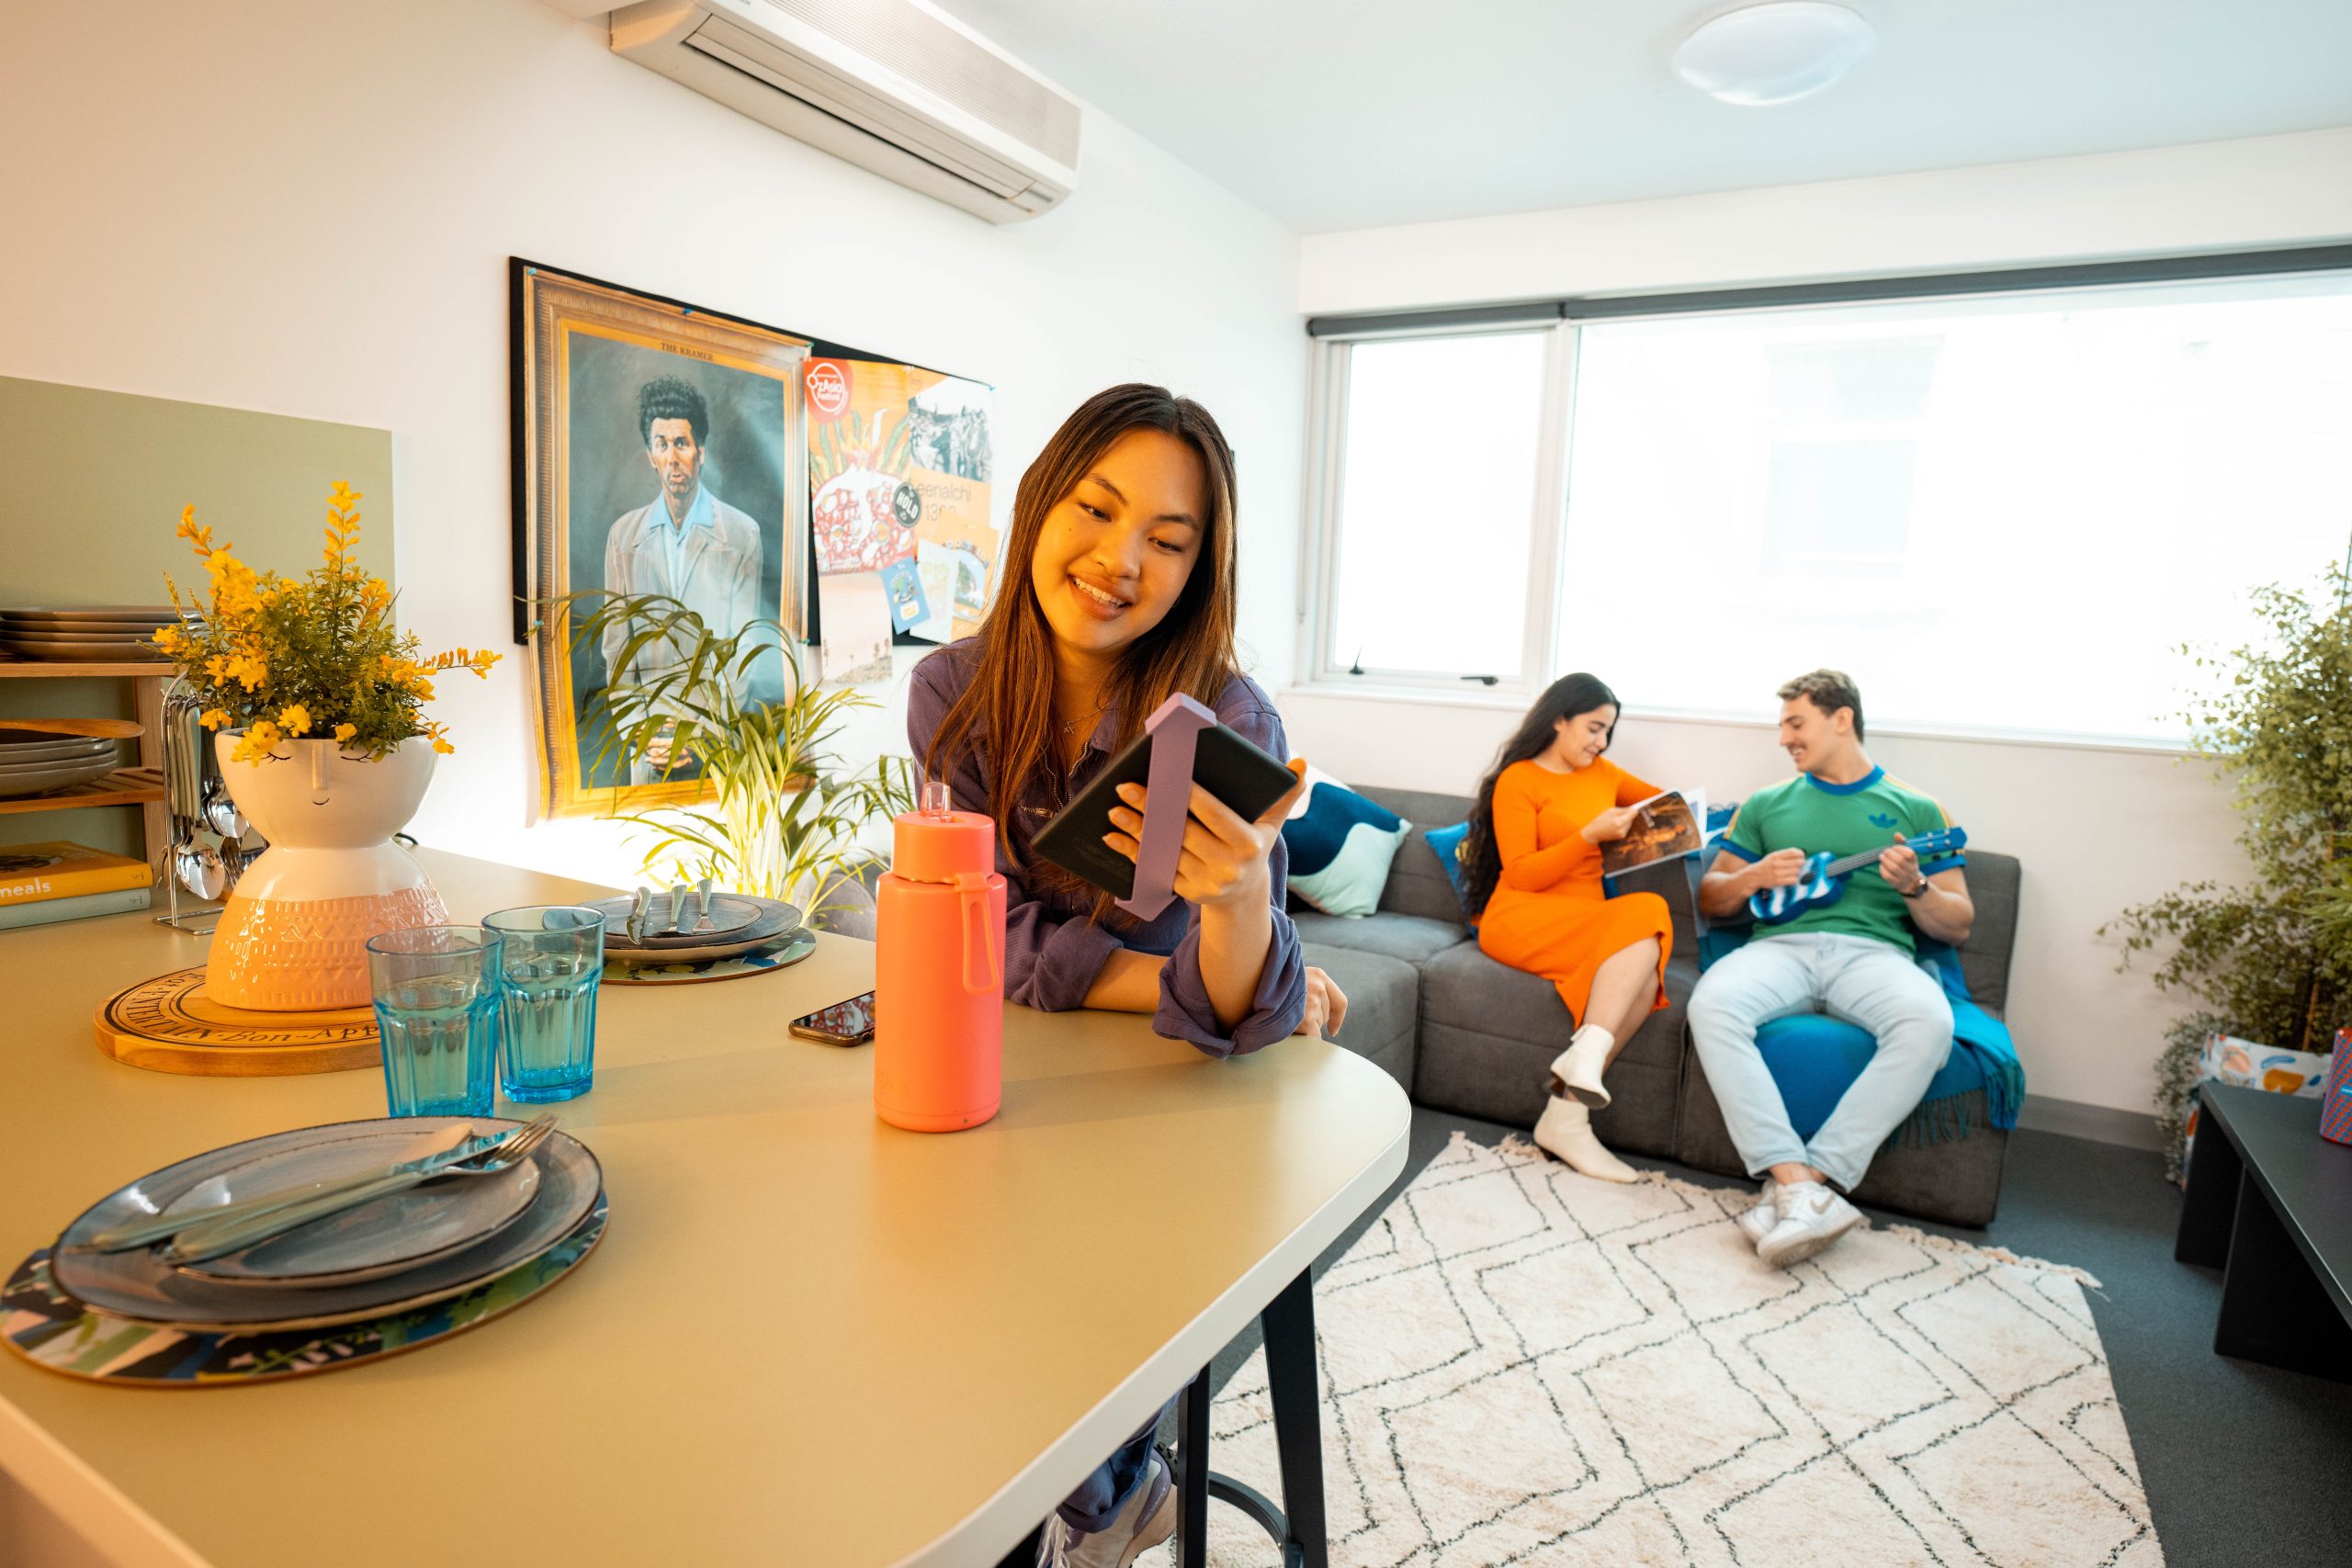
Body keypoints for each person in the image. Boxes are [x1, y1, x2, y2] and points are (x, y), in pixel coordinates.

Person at [906, 383, 1347, 1568]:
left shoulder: (1224, 719)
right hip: (1018, 1073)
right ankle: (1079, 1488)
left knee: (1085, 1257)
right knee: (924, 1259)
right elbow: (972, 947)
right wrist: (1183, 983)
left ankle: (1104, 1501)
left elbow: (1234, 1017)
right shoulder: (953, 693)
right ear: (1042, 504)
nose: (1119, 561)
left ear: (1201, 569)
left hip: (1169, 1107)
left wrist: (1244, 906)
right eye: (1098, 511)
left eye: (1168, 539)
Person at [1690, 670, 1973, 1269]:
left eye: (1796, 723)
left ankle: (1806, 1183)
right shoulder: (1766, 803)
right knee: (1712, 1004)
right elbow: (1712, 899)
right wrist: (1752, 876)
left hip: (1876, 955)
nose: (1784, 739)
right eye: (1783, 726)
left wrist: (1916, 886)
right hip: (1780, 949)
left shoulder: (1917, 807)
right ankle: (1798, 1181)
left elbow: (1959, 922)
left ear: (1841, 718)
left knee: (1929, 1022)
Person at [1461, 674, 1672, 1185]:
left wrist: (1736, 823)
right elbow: (1522, 874)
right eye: (1594, 728)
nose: (1600, 742)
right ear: (1559, 719)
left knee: (1646, 958)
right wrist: (1587, 837)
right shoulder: (1520, 779)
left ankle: (1567, 1111)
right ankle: (1572, 1103)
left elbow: (1671, 805)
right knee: (1648, 914)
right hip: (1522, 915)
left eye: (1608, 733)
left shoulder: (1604, 773)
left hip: (1585, 918)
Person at [600, 376, 763, 784]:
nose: (673, 457)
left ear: (701, 452)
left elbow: (742, 651)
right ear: (650, 455)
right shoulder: (624, 536)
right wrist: (640, 731)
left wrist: (702, 732)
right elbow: (617, 652)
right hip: (647, 748)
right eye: (662, 444)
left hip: (714, 747)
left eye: (682, 443)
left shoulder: (741, 534)